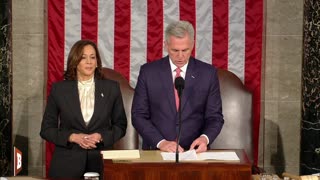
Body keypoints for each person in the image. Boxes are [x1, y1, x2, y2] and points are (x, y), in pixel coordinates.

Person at [132, 20, 224, 154]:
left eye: (185, 50)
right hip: (157, 151)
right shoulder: (148, 72)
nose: (180, 56)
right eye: (175, 50)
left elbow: (215, 117)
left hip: (193, 151)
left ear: (192, 45)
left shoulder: (208, 74)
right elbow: (138, 115)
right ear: (166, 45)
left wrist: (205, 139)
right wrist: (161, 142)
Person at [40, 40, 127, 178]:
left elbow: (121, 126)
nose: (89, 62)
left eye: (92, 57)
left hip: (101, 161)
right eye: (83, 57)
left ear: (97, 62)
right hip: (67, 163)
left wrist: (101, 136)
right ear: (75, 62)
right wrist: (72, 137)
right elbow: (46, 129)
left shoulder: (112, 88)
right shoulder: (59, 89)